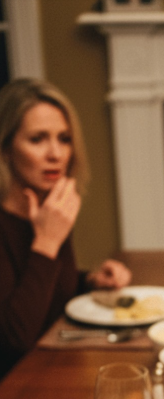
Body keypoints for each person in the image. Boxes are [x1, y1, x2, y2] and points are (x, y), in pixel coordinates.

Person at [0, 78, 132, 376]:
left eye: (64, 139)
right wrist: (47, 242)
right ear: (6, 148)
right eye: (37, 139)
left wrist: (91, 281)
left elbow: (45, 301)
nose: (56, 154)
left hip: (52, 368)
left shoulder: (48, 207)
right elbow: (14, 339)